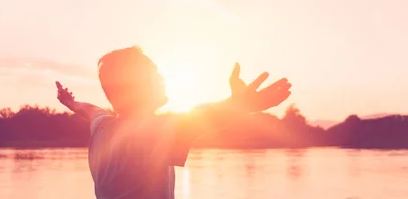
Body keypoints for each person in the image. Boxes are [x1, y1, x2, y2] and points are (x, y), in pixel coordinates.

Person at [55, 45, 292, 199]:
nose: (163, 78)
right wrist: (244, 104)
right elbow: (203, 117)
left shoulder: (102, 125)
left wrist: (69, 102)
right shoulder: (151, 134)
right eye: (155, 75)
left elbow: (89, 109)